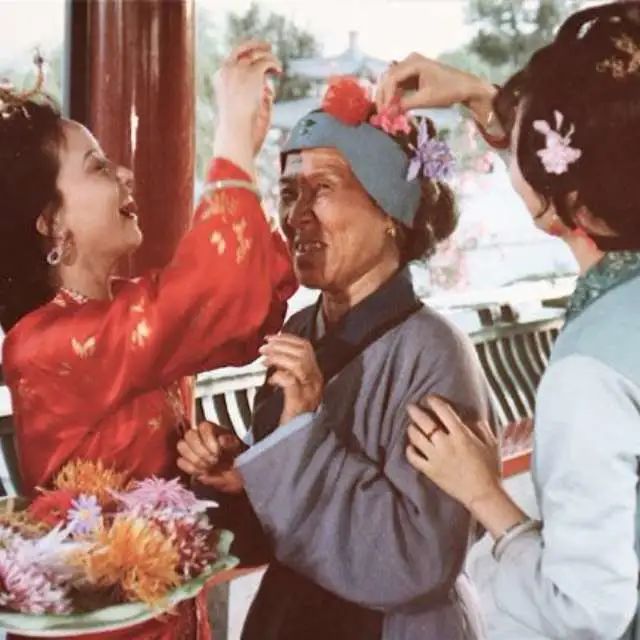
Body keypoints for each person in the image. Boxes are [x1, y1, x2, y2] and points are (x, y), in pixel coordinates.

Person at [177, 75, 492, 640]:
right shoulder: (302, 329)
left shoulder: (435, 352)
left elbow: (419, 560)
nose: (296, 216)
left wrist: (299, 435)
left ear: (391, 212)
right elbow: (285, 529)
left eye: (321, 188)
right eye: (288, 193)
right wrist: (242, 479)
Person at [0, 41, 296, 640]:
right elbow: (209, 291)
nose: (124, 174)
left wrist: (208, 456)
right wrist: (232, 142)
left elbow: (244, 314)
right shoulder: (45, 345)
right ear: (51, 223)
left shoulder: (118, 313)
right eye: (97, 167)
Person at [378, 2, 640, 638]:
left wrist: (485, 495)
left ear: (567, 205)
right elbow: (571, 161)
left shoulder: (589, 375)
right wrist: (477, 94)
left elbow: (584, 615)